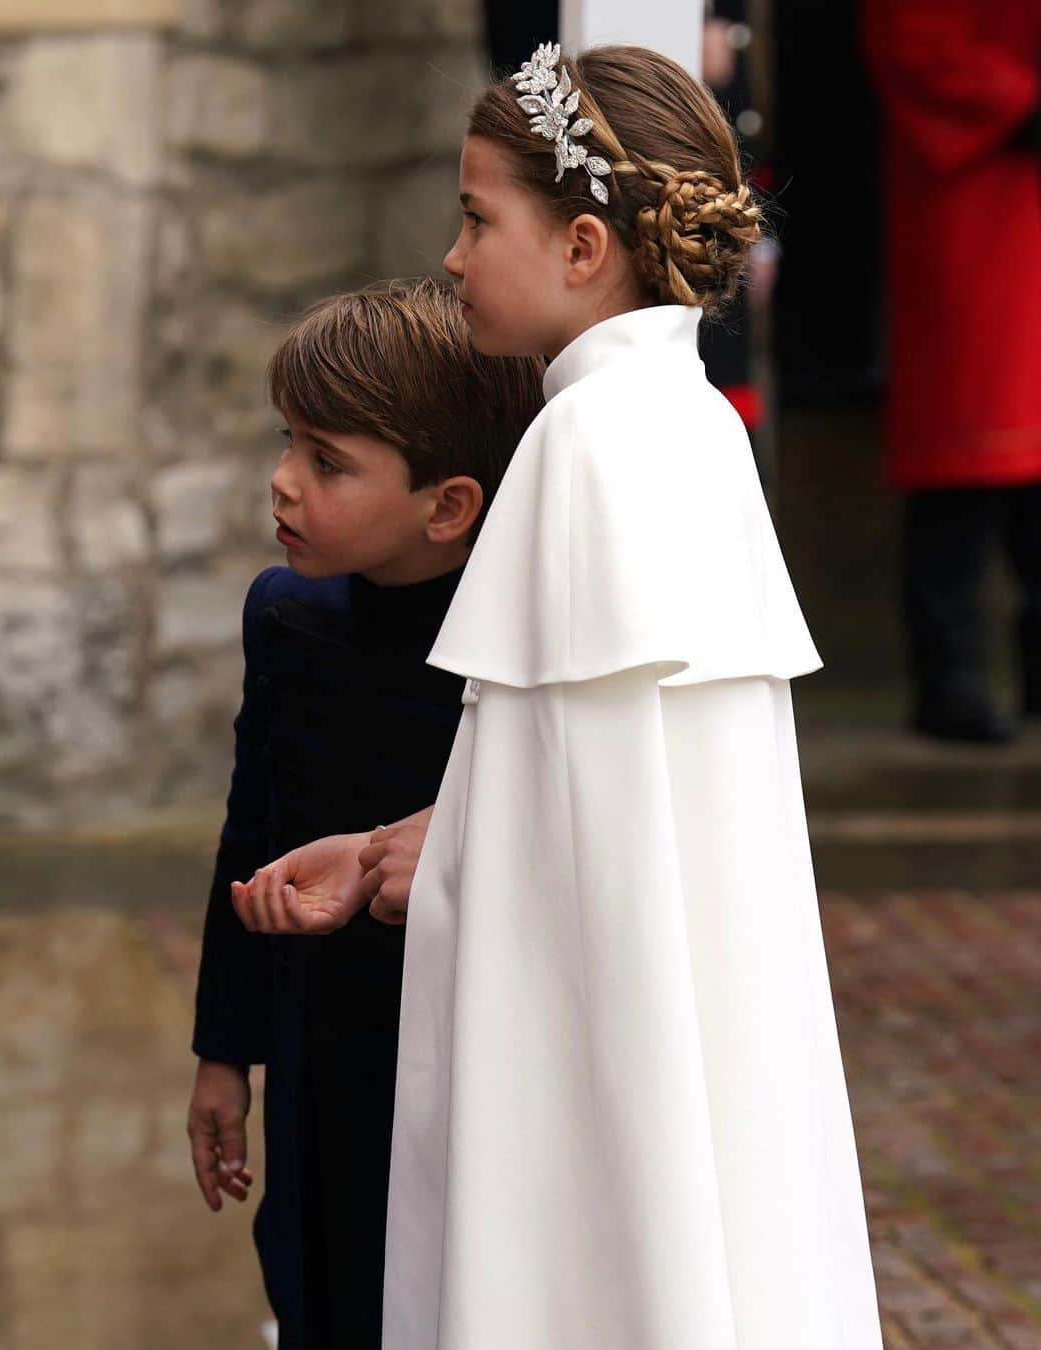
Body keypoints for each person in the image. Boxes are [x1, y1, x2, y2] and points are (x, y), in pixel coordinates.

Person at [247, 43, 883, 1348]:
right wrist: (389, 849)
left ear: (585, 245)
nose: (456, 255)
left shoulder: (585, 445)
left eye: (480, 218)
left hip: (595, 1069)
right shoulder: (690, 420)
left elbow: (584, 868)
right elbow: (600, 794)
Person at [186, 278, 543, 1350]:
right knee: (314, 1287)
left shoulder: (516, 659)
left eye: (328, 462)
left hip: (460, 1067)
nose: (283, 482)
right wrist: (222, 1052)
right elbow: (250, 832)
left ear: (448, 505)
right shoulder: (287, 616)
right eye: (289, 442)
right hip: (314, 1058)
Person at [863, 0, 1041, 742]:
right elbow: (911, 38)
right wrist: (1019, 101)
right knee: (968, 450)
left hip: (1011, 188)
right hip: (979, 193)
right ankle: (950, 678)